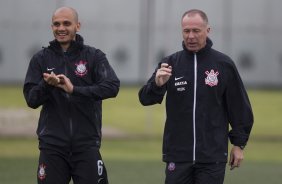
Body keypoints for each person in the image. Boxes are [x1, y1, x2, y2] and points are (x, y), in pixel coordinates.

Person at [138, 9, 253, 184]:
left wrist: (239, 145)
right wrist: (157, 84)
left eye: (196, 31)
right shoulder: (170, 63)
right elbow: (145, 99)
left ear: (208, 30)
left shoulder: (223, 64)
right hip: (178, 155)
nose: (191, 36)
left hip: (212, 156)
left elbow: (239, 108)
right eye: (186, 31)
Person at [23, 7, 120, 184]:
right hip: (52, 147)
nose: (61, 28)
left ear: (78, 25)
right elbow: (31, 100)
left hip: (86, 145)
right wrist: (47, 85)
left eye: (67, 23)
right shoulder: (40, 59)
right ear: (51, 27)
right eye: (57, 24)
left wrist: (74, 90)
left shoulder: (94, 56)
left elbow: (112, 86)